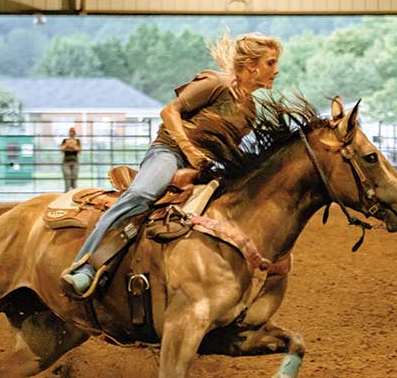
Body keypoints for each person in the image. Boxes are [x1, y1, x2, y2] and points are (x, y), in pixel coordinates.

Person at [61, 32, 282, 297]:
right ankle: (85, 265)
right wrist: (189, 150)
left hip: (203, 167)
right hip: (171, 152)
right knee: (141, 193)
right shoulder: (217, 84)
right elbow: (169, 111)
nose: (276, 70)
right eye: (270, 63)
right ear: (250, 65)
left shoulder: (250, 111)